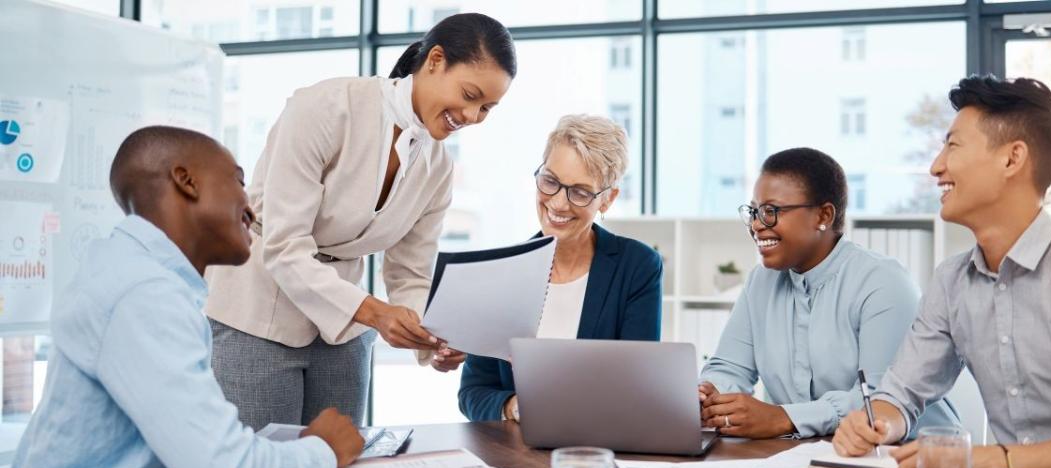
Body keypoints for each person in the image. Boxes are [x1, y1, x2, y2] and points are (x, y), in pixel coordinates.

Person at [0, 126, 364, 468]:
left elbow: (206, 464)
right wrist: (324, 448)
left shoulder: (134, 276)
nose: (251, 206)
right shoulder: (144, 294)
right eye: (237, 180)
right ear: (185, 181)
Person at [832, 75, 1051, 468]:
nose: (936, 166)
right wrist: (876, 423)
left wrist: (998, 460)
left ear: (1012, 159)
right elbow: (900, 394)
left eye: (953, 146)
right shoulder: (950, 281)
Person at [203, 13, 516, 431]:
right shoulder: (325, 108)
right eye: (470, 95)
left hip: (344, 326)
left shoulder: (438, 167)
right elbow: (284, 246)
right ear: (436, 60)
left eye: (487, 109)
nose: (473, 116)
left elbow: (409, 274)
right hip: (258, 307)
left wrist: (433, 339)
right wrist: (375, 312)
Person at [697, 148, 959, 439]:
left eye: (771, 212)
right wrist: (709, 395)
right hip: (807, 459)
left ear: (823, 215)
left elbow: (882, 399)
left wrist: (785, 418)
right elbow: (729, 367)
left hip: (914, 457)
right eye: (754, 212)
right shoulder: (761, 281)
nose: (758, 225)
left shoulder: (882, 282)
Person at [458, 115, 663, 421]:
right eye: (550, 181)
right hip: (518, 452)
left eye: (580, 192)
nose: (558, 204)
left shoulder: (637, 267)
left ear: (607, 200)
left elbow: (638, 384)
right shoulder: (503, 271)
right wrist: (514, 406)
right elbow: (473, 392)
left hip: (599, 449)